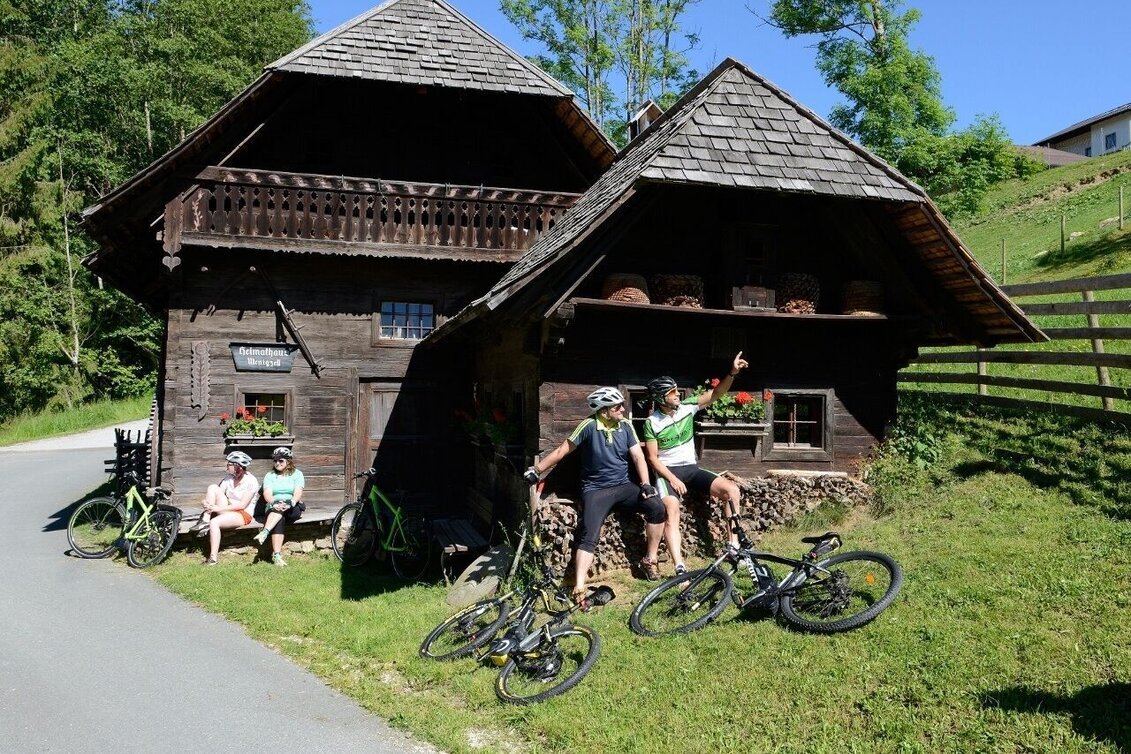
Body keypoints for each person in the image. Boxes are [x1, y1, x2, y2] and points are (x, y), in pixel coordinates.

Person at [524, 387, 667, 600]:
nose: (623, 408)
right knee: (589, 533)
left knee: (657, 508)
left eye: (622, 404)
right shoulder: (589, 426)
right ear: (603, 411)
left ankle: (650, 560)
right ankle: (579, 586)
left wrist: (646, 484)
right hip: (596, 490)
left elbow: (638, 456)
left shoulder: (626, 425)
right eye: (617, 406)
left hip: (623, 486)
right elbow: (562, 451)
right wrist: (536, 471)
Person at [643, 351, 749, 576]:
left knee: (732, 490)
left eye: (676, 390)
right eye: (672, 392)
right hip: (667, 473)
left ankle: (734, 548)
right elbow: (652, 459)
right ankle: (680, 566)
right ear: (662, 398)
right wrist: (672, 479)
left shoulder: (687, 407)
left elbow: (718, 393)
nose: (677, 394)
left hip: (690, 468)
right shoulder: (652, 422)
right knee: (671, 508)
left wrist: (732, 373)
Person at [191, 450, 259, 565]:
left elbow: (242, 505)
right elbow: (219, 493)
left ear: (238, 466)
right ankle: (205, 520)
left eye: (229, 464)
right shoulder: (229, 478)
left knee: (215, 522)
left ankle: (213, 559)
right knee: (213, 487)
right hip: (228, 508)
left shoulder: (251, 481)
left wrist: (218, 509)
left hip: (242, 514)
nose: (227, 466)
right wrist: (207, 503)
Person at [252, 446, 305, 567]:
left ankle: (265, 532)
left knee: (281, 512)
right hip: (274, 505)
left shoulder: (297, 474)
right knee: (279, 518)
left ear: (288, 461)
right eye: (275, 460)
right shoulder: (270, 475)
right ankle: (277, 556)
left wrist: (290, 503)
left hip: (292, 505)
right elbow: (267, 494)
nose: (277, 463)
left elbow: (297, 493)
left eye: (281, 460)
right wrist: (274, 503)